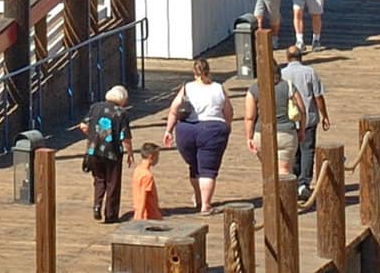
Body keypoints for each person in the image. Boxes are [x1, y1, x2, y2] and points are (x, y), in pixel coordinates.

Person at [248, 43, 329, 204]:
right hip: (296, 125)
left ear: (287, 58)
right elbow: (316, 98)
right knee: (305, 152)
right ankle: (301, 184)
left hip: (266, 131)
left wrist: (249, 136)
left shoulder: (273, 79)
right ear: (301, 57)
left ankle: (275, 196)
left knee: (275, 166)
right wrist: (323, 116)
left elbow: (249, 116)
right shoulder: (307, 73)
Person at [164, 57, 234, 213]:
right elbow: (228, 111)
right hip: (213, 129)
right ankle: (206, 205)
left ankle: (198, 197)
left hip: (187, 130)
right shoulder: (218, 88)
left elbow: (174, 109)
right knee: (207, 170)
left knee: (194, 166)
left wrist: (168, 130)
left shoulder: (187, 87)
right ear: (209, 71)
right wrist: (227, 126)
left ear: (194, 72)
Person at [78, 84, 131, 221]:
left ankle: (97, 205)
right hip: (112, 152)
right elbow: (125, 137)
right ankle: (111, 214)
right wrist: (130, 153)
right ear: (122, 99)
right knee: (113, 183)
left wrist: (93, 136)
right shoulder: (121, 113)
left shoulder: (96, 107)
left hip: (94, 150)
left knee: (99, 180)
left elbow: (83, 125)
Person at [130, 143, 164, 220]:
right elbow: (143, 197)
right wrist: (140, 217)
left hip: (138, 211)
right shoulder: (147, 176)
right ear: (151, 157)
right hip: (149, 215)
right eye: (157, 156)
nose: (158, 159)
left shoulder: (137, 170)